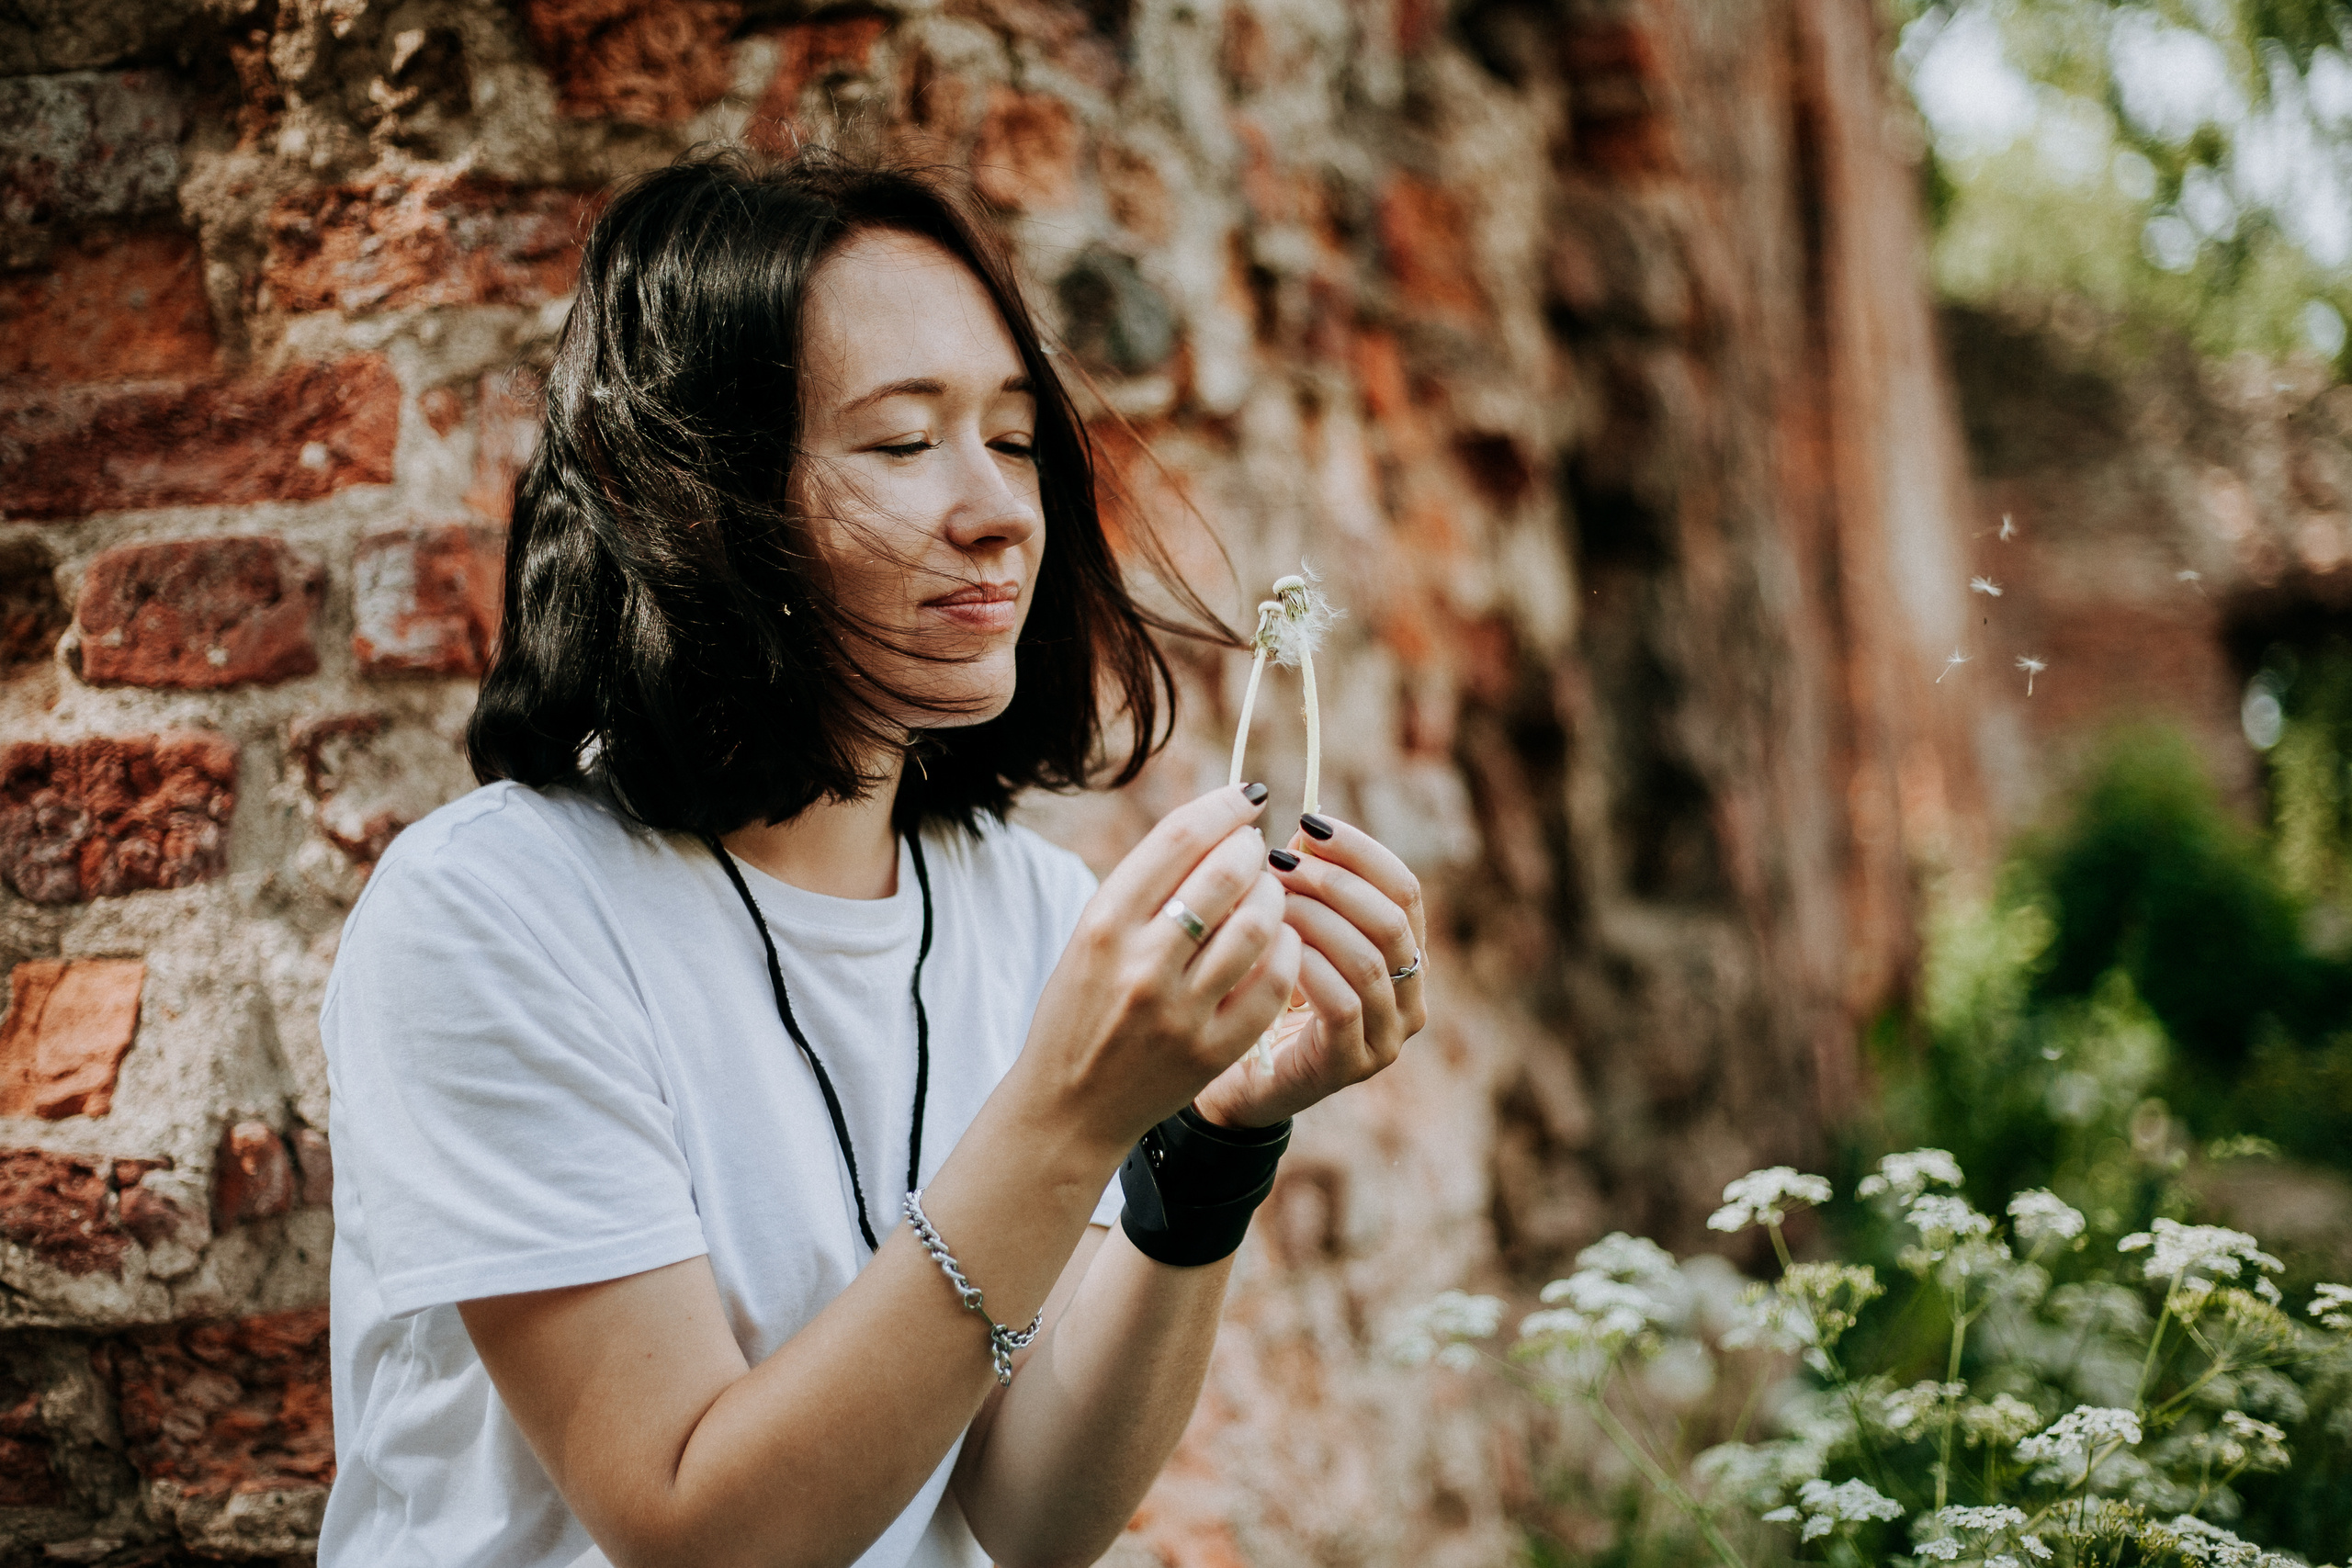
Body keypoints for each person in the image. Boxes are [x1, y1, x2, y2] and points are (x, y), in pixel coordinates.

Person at [318, 147, 1428, 1568]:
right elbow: (699, 1537)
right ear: (699, 493)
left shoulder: (1027, 906)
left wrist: (1207, 1148)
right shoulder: (494, 914)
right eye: (904, 444)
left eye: (1013, 439)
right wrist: (1073, 1112)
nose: (999, 509)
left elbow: (1028, 1517)